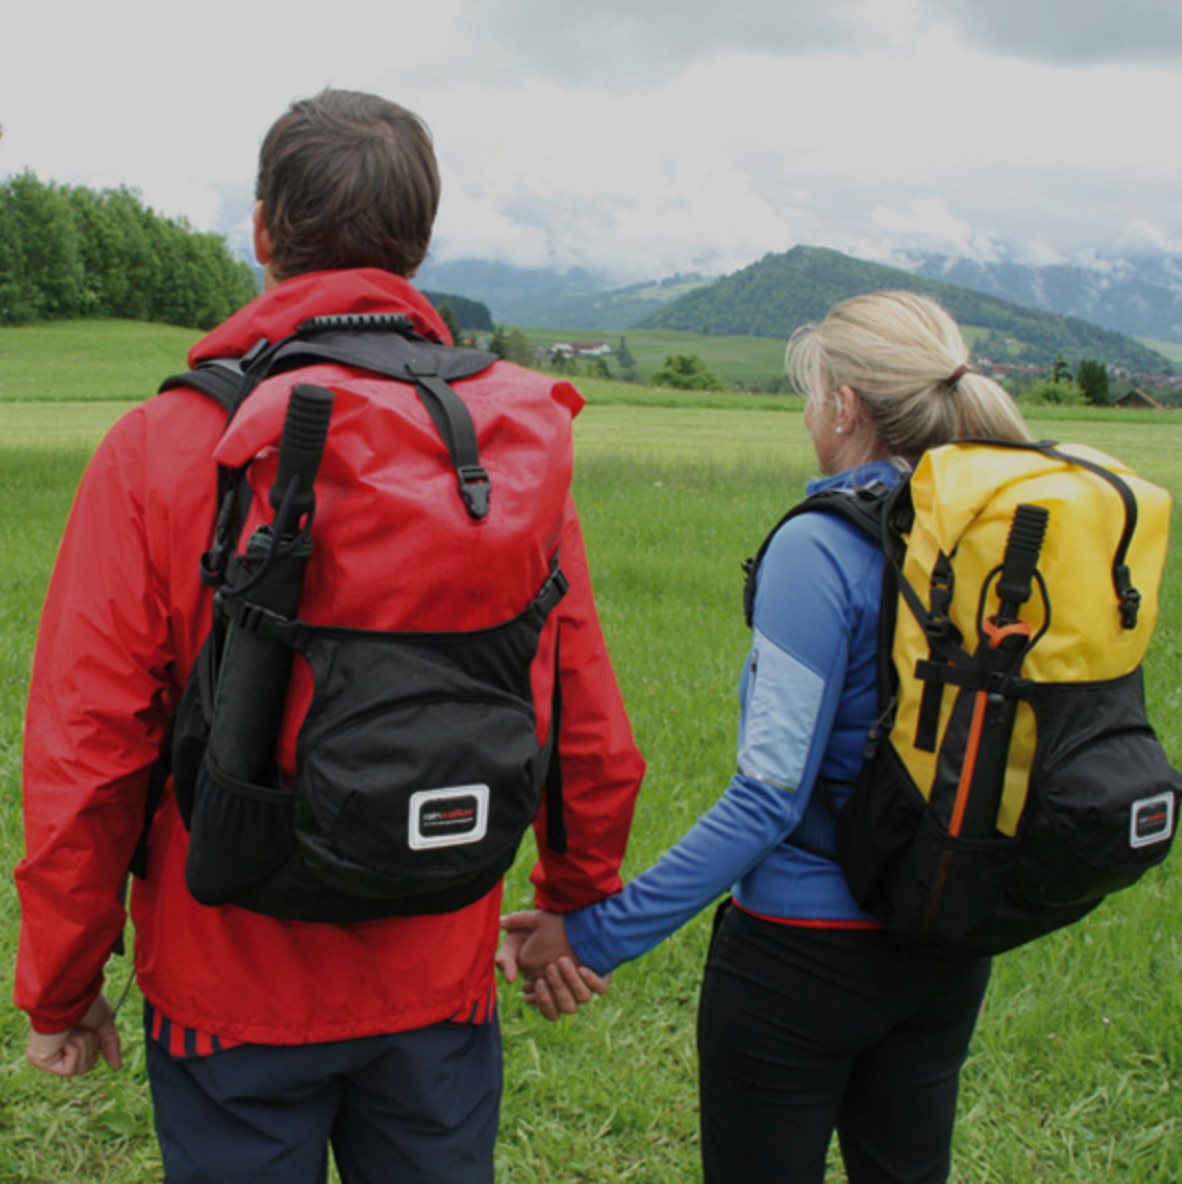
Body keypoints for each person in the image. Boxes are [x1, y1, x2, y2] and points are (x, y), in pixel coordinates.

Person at [15, 89, 643, 1184]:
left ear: (263, 232)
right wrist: (579, 890)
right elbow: (574, 686)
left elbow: (90, 742)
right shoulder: (498, 444)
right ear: (420, 244)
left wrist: (61, 984)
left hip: (229, 983)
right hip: (437, 953)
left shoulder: (164, 445)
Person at [499, 290, 1033, 1182]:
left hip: (800, 956)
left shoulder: (822, 547)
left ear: (846, 407)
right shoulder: (1000, 538)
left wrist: (594, 936)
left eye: (812, 392)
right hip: (947, 934)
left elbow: (768, 797)